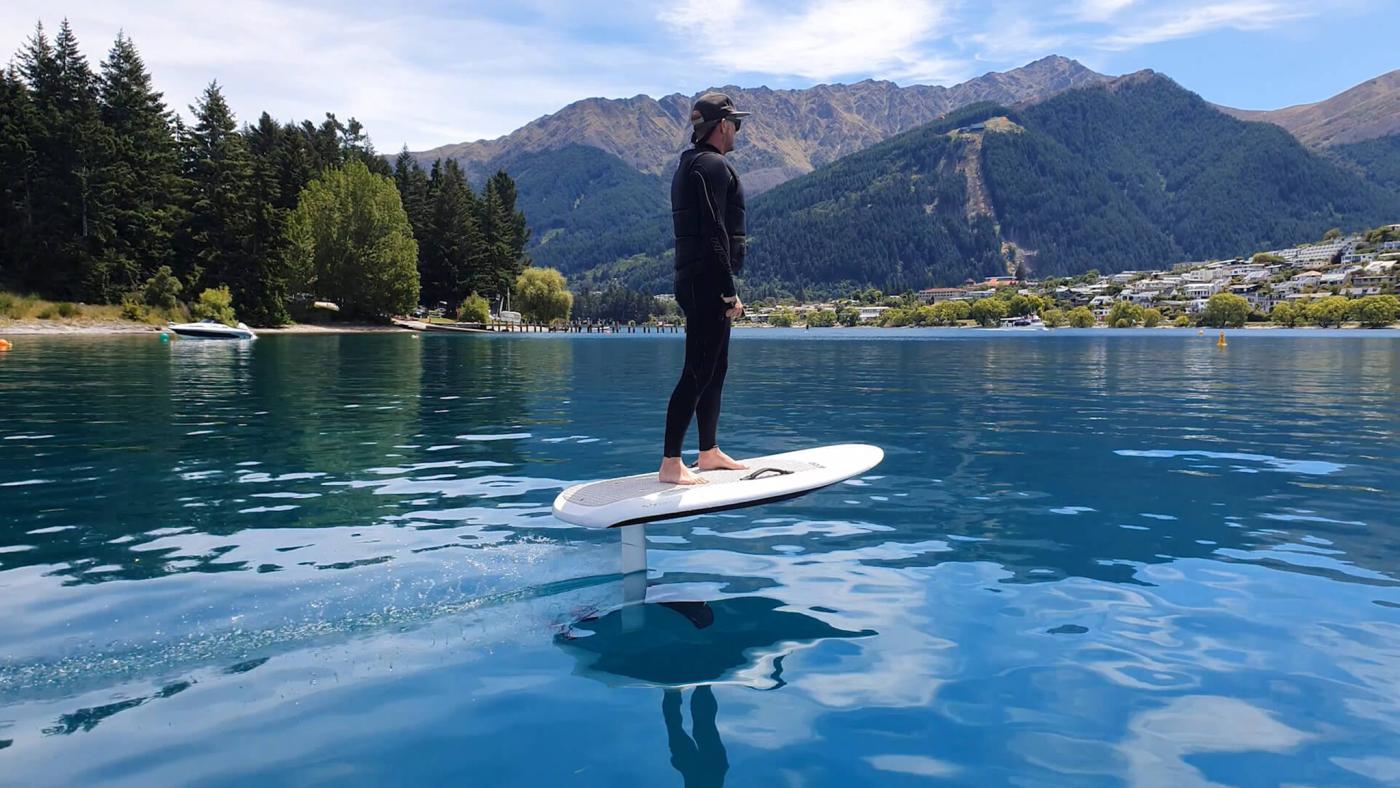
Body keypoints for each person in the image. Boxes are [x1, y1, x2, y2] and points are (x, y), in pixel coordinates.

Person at [660, 92, 751, 485]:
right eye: (737, 124)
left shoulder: (690, 165)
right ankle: (670, 464)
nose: (738, 132)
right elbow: (715, 230)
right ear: (723, 126)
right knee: (697, 371)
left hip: (698, 279)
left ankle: (709, 452)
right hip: (707, 282)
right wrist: (728, 289)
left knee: (715, 368)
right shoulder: (712, 166)